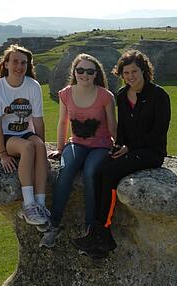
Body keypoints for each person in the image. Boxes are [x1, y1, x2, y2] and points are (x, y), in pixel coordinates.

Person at [71, 49, 171, 258]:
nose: (130, 77)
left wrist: (130, 148)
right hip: (129, 149)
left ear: (144, 70)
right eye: (126, 73)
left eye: (134, 72)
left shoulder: (159, 96)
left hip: (151, 152)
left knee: (109, 174)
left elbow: (158, 133)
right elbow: (123, 129)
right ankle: (98, 240)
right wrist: (119, 146)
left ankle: (103, 232)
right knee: (99, 170)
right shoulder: (123, 95)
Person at [39, 53, 117, 248]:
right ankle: (54, 224)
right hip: (76, 144)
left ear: (96, 74)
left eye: (90, 71)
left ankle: (90, 228)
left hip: (101, 145)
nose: (85, 75)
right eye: (80, 70)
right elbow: (63, 122)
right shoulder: (65, 93)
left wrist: (118, 148)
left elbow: (113, 127)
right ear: (74, 72)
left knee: (91, 172)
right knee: (67, 170)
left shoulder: (105, 96)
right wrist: (59, 148)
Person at [0, 44, 50, 226]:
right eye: (15, 62)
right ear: (5, 64)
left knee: (36, 145)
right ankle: (28, 205)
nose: (19, 66)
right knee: (28, 147)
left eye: (23, 62)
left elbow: (38, 120)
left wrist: (42, 150)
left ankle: (40, 204)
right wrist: (3, 154)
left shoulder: (33, 86)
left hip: (24, 132)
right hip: (2, 136)